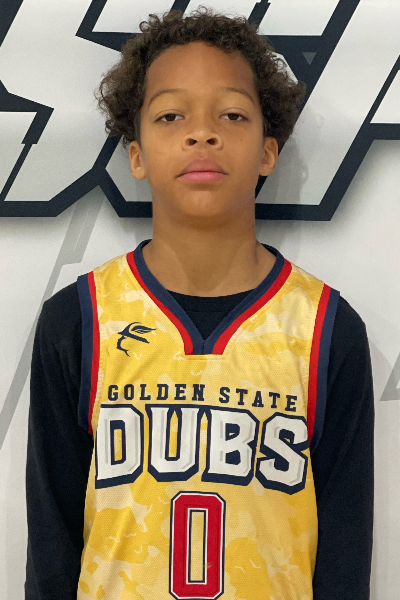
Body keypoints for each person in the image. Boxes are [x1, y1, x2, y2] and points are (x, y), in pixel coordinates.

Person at [25, 6, 374, 600]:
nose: (202, 133)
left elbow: (344, 555)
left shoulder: (326, 328)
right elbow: (52, 547)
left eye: (232, 114)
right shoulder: (78, 321)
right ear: (136, 154)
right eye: (171, 115)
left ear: (268, 151)